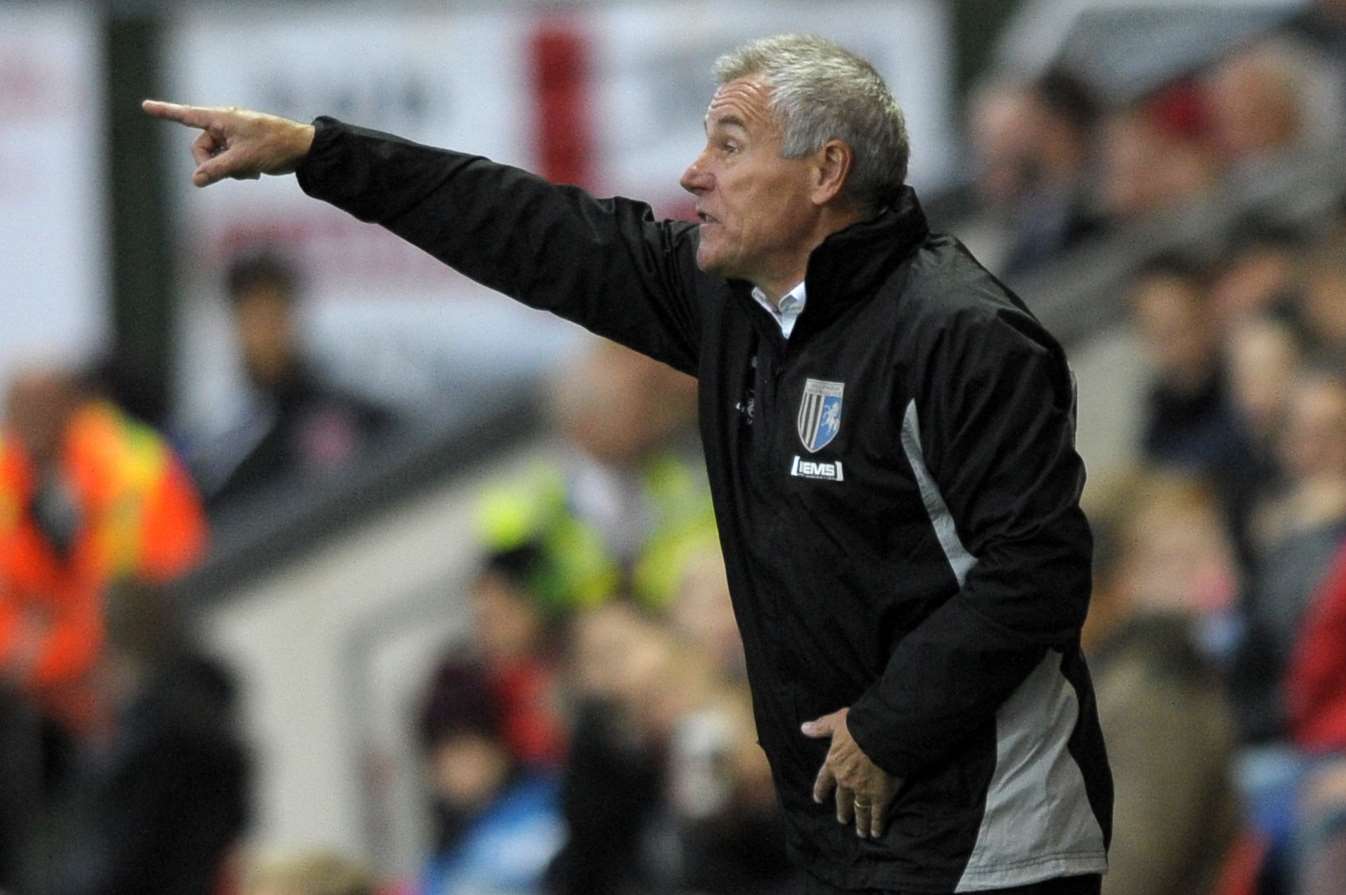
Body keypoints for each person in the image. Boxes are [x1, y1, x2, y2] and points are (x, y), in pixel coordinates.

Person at [146, 33, 1111, 894]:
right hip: (846, 829)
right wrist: (322, 154)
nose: (694, 174)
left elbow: (1039, 569)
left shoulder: (962, 333)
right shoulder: (738, 307)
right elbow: (529, 229)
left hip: (993, 834)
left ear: (826, 170)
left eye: (728, 147)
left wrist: (887, 728)